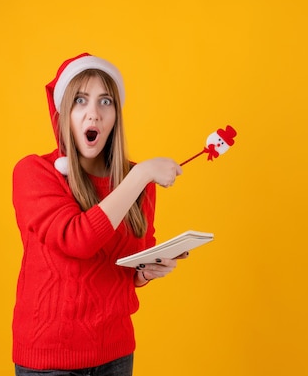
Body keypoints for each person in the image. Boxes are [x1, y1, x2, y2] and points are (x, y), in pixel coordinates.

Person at [11, 53, 186, 376]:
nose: (94, 114)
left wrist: (146, 272)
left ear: (116, 115)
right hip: (50, 362)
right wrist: (142, 174)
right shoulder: (34, 172)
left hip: (115, 354)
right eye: (81, 100)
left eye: (105, 101)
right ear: (63, 113)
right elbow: (79, 240)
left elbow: (127, 266)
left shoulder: (138, 182)